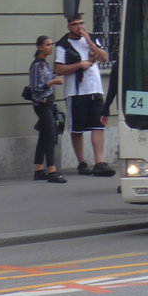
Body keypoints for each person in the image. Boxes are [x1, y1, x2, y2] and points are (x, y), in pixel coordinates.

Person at [53, 14, 115, 176]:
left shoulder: (92, 39)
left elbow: (104, 57)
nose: (79, 27)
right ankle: (82, 162)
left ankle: (99, 162)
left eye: (81, 23)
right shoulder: (63, 45)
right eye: (75, 24)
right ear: (69, 27)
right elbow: (58, 69)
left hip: (94, 89)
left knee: (98, 125)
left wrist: (89, 42)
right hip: (75, 92)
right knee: (77, 129)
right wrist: (79, 65)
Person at [29, 35, 66, 183]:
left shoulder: (44, 64)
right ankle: (52, 170)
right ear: (40, 47)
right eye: (48, 45)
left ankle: (39, 169)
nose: (51, 47)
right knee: (51, 137)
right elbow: (35, 88)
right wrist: (51, 83)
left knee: (44, 136)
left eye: (52, 44)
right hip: (42, 104)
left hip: (49, 104)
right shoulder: (36, 65)